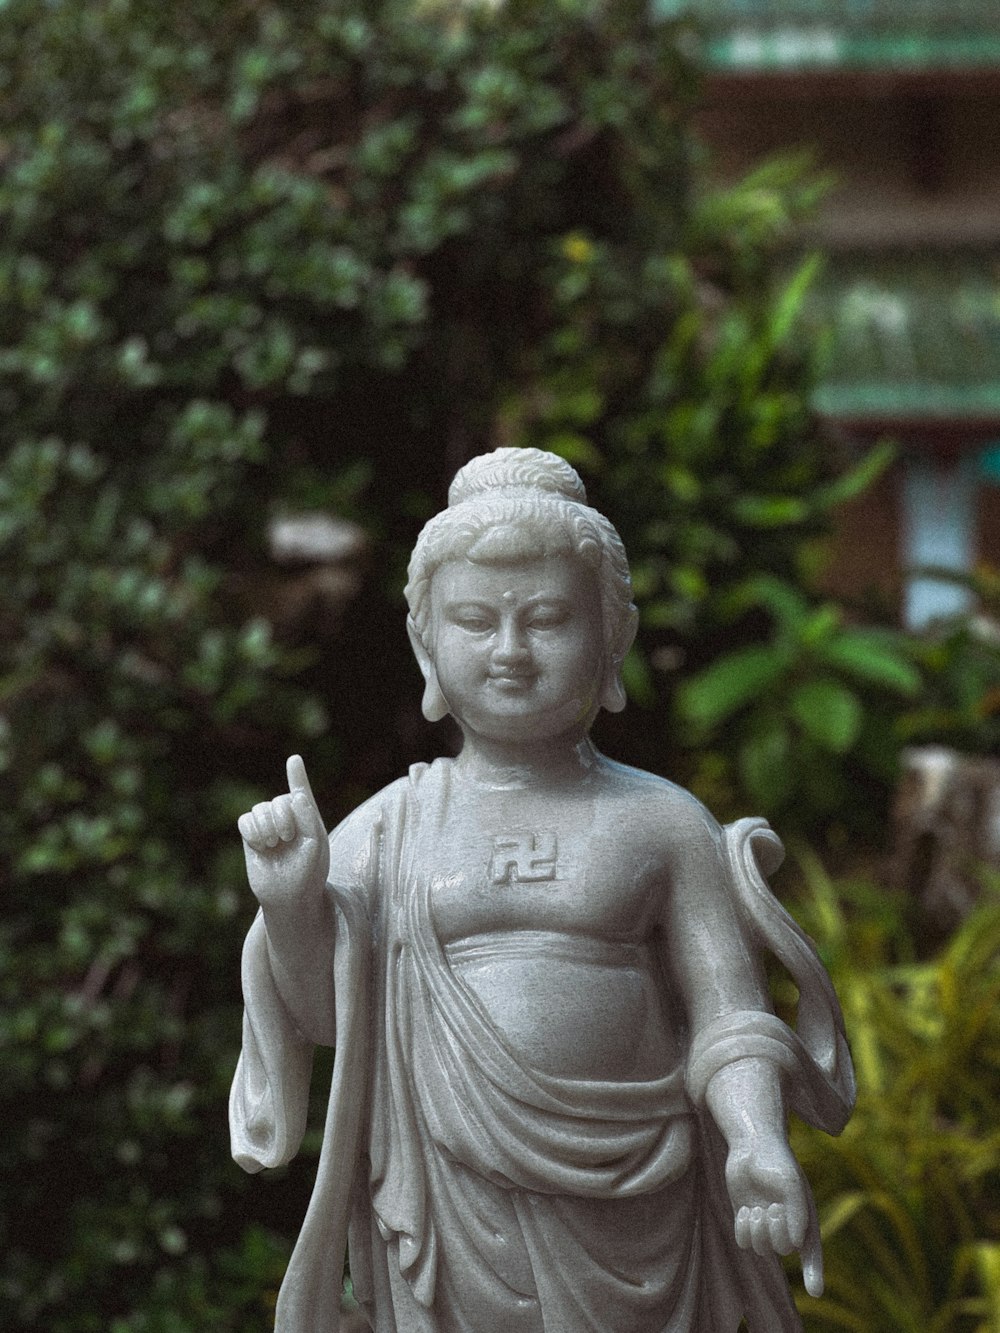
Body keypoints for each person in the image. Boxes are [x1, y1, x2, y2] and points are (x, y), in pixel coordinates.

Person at [231, 447, 855, 1332]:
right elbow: (332, 1019)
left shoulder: (662, 823)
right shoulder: (390, 826)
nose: (511, 652)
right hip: (449, 1209)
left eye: (549, 618)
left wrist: (755, 1137)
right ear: (426, 643)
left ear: (613, 634)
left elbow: (729, 1016)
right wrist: (294, 904)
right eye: (477, 620)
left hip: (645, 1207)